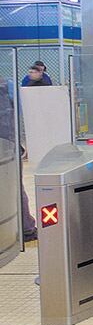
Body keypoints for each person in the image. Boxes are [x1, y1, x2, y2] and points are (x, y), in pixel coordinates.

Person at [0, 80, 37, 241]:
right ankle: (26, 229)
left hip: (8, 144)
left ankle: (25, 228)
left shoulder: (7, 87)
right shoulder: (8, 87)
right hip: (8, 145)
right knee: (14, 185)